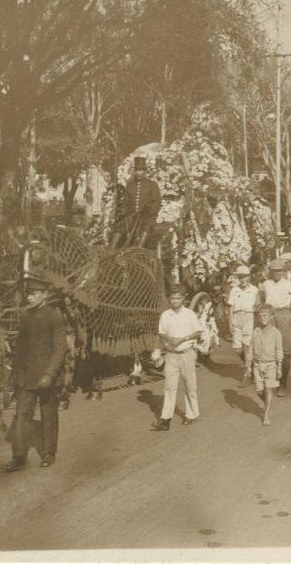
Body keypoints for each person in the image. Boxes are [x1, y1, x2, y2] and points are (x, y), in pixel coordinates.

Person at [1, 276, 67, 472]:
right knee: (22, 416)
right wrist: (14, 374)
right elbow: (20, 349)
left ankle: (48, 453)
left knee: (48, 415)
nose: (29, 297)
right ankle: (19, 456)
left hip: (47, 377)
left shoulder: (54, 316)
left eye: (33, 293)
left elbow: (59, 349)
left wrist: (50, 374)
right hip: (26, 377)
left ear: (44, 295)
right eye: (28, 294)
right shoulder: (26, 316)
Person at [152, 285, 204, 431]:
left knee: (189, 385)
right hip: (171, 355)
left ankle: (191, 414)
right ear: (169, 299)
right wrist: (169, 338)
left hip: (187, 353)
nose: (175, 301)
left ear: (183, 299)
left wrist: (183, 338)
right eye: (173, 298)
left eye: (178, 298)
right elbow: (161, 333)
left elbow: (198, 332)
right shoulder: (165, 315)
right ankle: (165, 419)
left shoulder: (189, 314)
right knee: (169, 387)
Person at [260, 260, 291, 396]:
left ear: (283, 271)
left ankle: (283, 383)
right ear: (271, 272)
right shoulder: (266, 284)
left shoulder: (289, 284)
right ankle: (270, 379)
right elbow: (261, 298)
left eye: (279, 270)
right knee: (269, 347)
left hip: (284, 315)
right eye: (274, 271)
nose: (277, 273)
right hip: (270, 314)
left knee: (286, 350)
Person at [111, 156, 162, 249]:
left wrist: (149, 211)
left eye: (141, 170)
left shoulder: (152, 185)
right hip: (132, 215)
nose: (139, 173)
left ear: (145, 171)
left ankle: (138, 250)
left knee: (146, 227)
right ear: (134, 171)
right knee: (120, 226)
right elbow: (126, 202)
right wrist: (123, 211)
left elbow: (157, 202)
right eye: (137, 170)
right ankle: (111, 249)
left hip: (147, 216)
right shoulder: (130, 185)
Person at [251, 304, 284, 426]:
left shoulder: (276, 333)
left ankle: (266, 415)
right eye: (260, 316)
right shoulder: (256, 331)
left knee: (268, 389)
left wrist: (279, 367)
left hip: (271, 365)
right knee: (259, 391)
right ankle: (268, 406)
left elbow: (279, 351)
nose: (262, 318)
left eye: (265, 316)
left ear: (271, 317)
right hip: (257, 365)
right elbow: (251, 349)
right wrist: (248, 367)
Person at [227, 264, 259, 385]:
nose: (242, 280)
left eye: (244, 277)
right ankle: (251, 364)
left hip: (249, 317)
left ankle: (248, 373)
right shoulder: (234, 290)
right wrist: (230, 320)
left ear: (249, 277)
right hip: (237, 317)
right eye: (240, 277)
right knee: (237, 348)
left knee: (247, 346)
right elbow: (231, 306)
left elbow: (258, 306)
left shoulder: (255, 290)